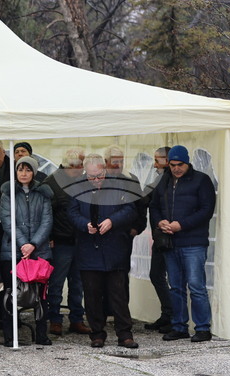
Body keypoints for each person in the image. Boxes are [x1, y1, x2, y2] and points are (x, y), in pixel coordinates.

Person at [68, 154, 139, 349]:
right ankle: (97, 334)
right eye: (92, 177)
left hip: (115, 247)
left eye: (100, 176)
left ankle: (125, 334)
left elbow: (131, 210)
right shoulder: (77, 186)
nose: (97, 181)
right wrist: (85, 225)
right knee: (92, 295)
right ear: (85, 173)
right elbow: (71, 213)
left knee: (118, 294)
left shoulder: (119, 184)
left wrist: (112, 221)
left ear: (105, 170)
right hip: (88, 248)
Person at [151, 145, 216, 343]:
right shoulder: (164, 180)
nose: (176, 168)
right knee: (176, 287)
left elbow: (206, 210)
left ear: (188, 163)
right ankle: (179, 326)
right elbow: (153, 206)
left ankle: (203, 328)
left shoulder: (201, 180)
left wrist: (181, 225)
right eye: (173, 165)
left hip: (193, 242)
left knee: (196, 286)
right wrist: (159, 221)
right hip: (171, 242)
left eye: (180, 164)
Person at [0, 156, 53, 346]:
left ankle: (41, 334)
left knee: (41, 295)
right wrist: (23, 244)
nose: (23, 173)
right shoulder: (8, 193)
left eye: (27, 170)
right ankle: (10, 334)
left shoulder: (43, 193)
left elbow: (47, 221)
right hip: (12, 250)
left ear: (34, 172)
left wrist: (34, 244)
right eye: (20, 169)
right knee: (11, 293)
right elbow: (7, 221)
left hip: (39, 251)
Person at [45, 148, 91, 336]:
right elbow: (46, 214)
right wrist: (49, 237)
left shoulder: (83, 181)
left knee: (78, 283)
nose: (82, 169)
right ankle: (54, 319)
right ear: (68, 165)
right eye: (79, 165)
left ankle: (77, 319)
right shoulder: (52, 183)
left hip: (81, 240)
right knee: (56, 283)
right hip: (61, 241)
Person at [145, 146, 174, 331]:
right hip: (159, 233)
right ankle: (168, 313)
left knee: (172, 277)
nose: (155, 164)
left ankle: (172, 316)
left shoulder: (168, 179)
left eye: (158, 160)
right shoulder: (161, 177)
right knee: (156, 274)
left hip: (170, 233)